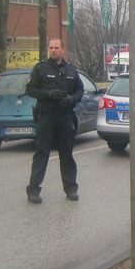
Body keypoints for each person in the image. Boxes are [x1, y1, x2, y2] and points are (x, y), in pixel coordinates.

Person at [25, 38, 84, 204]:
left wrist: (72, 99)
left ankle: (71, 189)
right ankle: (33, 191)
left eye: (56, 47)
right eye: (50, 47)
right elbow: (30, 89)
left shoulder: (71, 70)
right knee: (42, 153)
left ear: (62, 50)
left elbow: (80, 90)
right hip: (47, 116)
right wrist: (48, 94)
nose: (53, 50)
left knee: (67, 154)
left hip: (65, 116)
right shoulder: (41, 69)